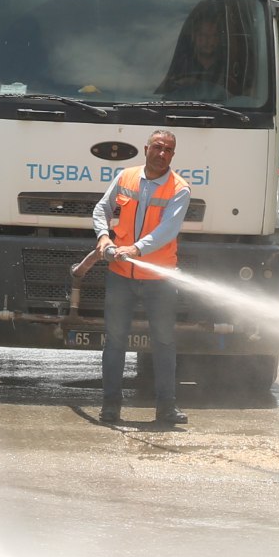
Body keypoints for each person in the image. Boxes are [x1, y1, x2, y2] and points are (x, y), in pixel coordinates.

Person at [90, 128, 188, 428]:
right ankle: (110, 407)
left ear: (173, 155)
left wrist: (135, 248)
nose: (162, 154)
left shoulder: (179, 188)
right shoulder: (126, 178)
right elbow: (101, 209)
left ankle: (166, 409)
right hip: (121, 275)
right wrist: (104, 238)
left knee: (164, 343)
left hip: (159, 279)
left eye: (168, 150)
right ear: (146, 149)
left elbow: (166, 232)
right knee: (115, 341)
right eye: (157, 147)